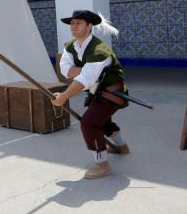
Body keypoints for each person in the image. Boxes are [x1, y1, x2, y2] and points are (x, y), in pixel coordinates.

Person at [51, 9, 129, 180]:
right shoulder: (70, 46)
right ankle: (122, 147)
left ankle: (102, 165)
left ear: (89, 26)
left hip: (112, 93)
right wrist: (84, 71)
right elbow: (64, 69)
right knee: (102, 120)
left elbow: (83, 81)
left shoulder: (100, 50)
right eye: (72, 23)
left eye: (78, 23)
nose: (73, 26)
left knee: (89, 123)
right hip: (96, 91)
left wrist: (63, 97)